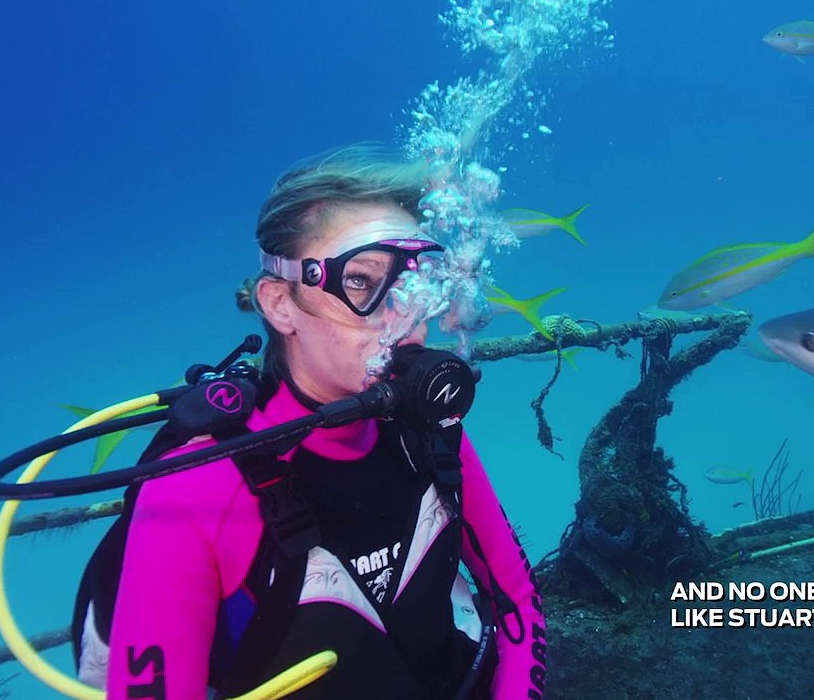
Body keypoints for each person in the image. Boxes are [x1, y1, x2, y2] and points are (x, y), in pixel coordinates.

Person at [88, 147, 548, 699]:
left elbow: (518, 601)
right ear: (280, 304)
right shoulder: (192, 487)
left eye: (416, 284)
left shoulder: (432, 434)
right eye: (361, 281)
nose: (405, 318)